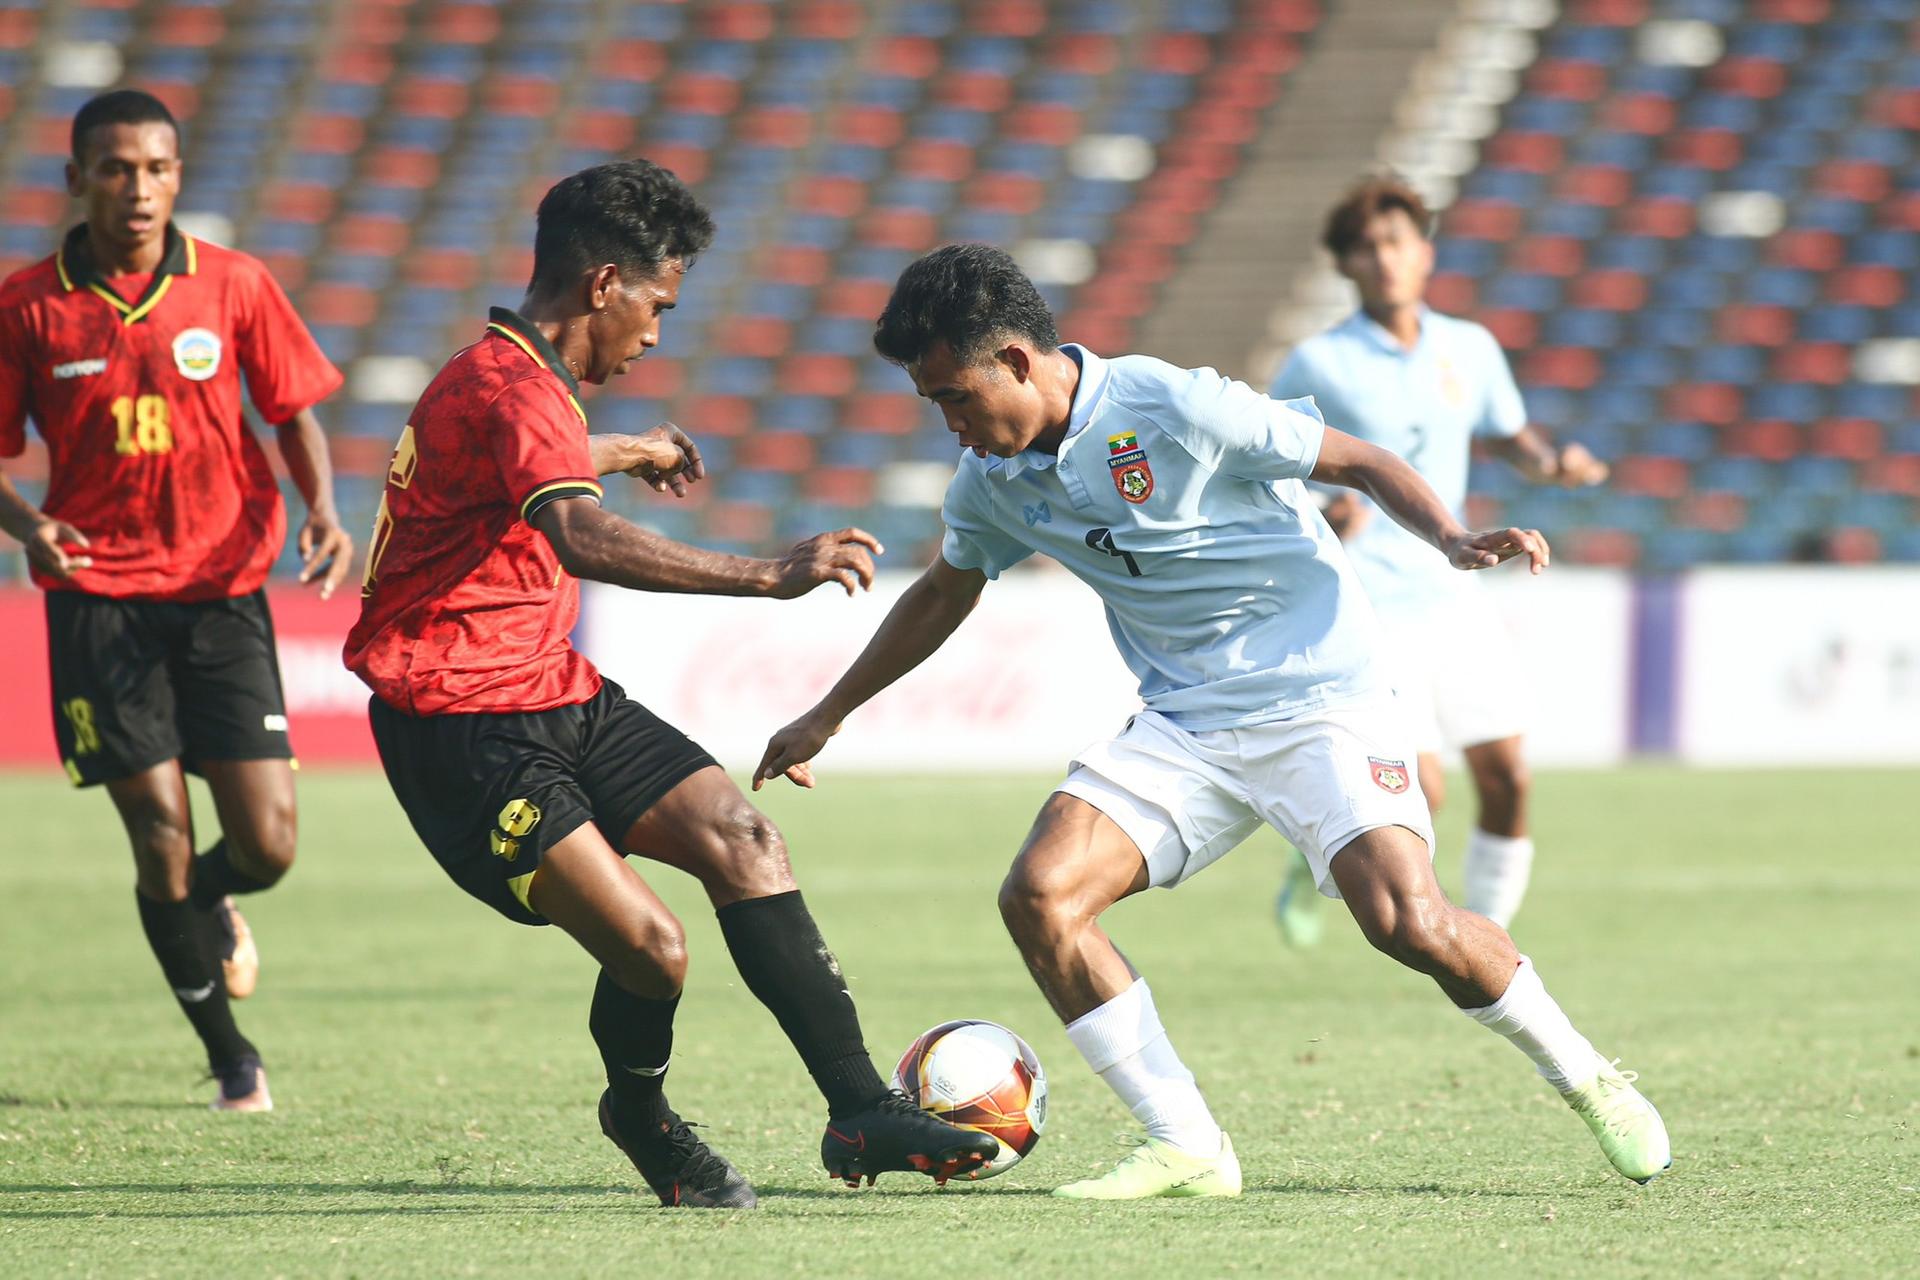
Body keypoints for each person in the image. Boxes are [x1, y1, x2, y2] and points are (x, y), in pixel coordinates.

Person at [755, 244, 1668, 1199]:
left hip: (1323, 695)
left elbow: (1358, 459)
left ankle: (1589, 1077)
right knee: (1042, 897)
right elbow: (945, 591)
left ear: (1019, 361)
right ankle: (1187, 1143)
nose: (952, 427)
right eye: (934, 404)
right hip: (1187, 722)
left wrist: (1449, 537)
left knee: (1407, 921)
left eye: (955, 398)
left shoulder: (1167, 404)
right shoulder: (993, 482)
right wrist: (829, 713)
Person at [344, 160, 996, 1210]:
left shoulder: (521, 385)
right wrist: (767, 574)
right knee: (655, 949)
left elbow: (527, 463)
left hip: (554, 687)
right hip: (461, 727)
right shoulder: (507, 387)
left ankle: (860, 1106)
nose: (656, 333)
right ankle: (639, 1113)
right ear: (605, 282)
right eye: (657, 304)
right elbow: (575, 530)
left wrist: (628, 445)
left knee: (743, 837)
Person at [0, 89, 353, 1112]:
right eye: (115, 168)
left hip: (222, 589)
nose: (138, 188)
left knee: (268, 844)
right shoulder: (28, 307)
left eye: (156, 168)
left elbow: (292, 412)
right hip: (98, 596)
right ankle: (231, 1053)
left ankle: (210, 903)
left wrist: (323, 507)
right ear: (76, 179)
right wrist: (31, 528)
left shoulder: (235, 285)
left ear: (179, 177)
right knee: (157, 829)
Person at [1269, 177, 1610, 943]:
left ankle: (1491, 937)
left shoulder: (1471, 348)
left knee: (1509, 778)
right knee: (1424, 787)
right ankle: (1314, 853)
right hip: (1368, 604)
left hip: (1453, 592)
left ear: (1424, 253)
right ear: (1346, 266)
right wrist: (1326, 512)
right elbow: (1264, 468)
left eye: (1397, 242)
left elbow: (1512, 436)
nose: (1385, 259)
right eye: (1367, 248)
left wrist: (1555, 465)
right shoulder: (1317, 364)